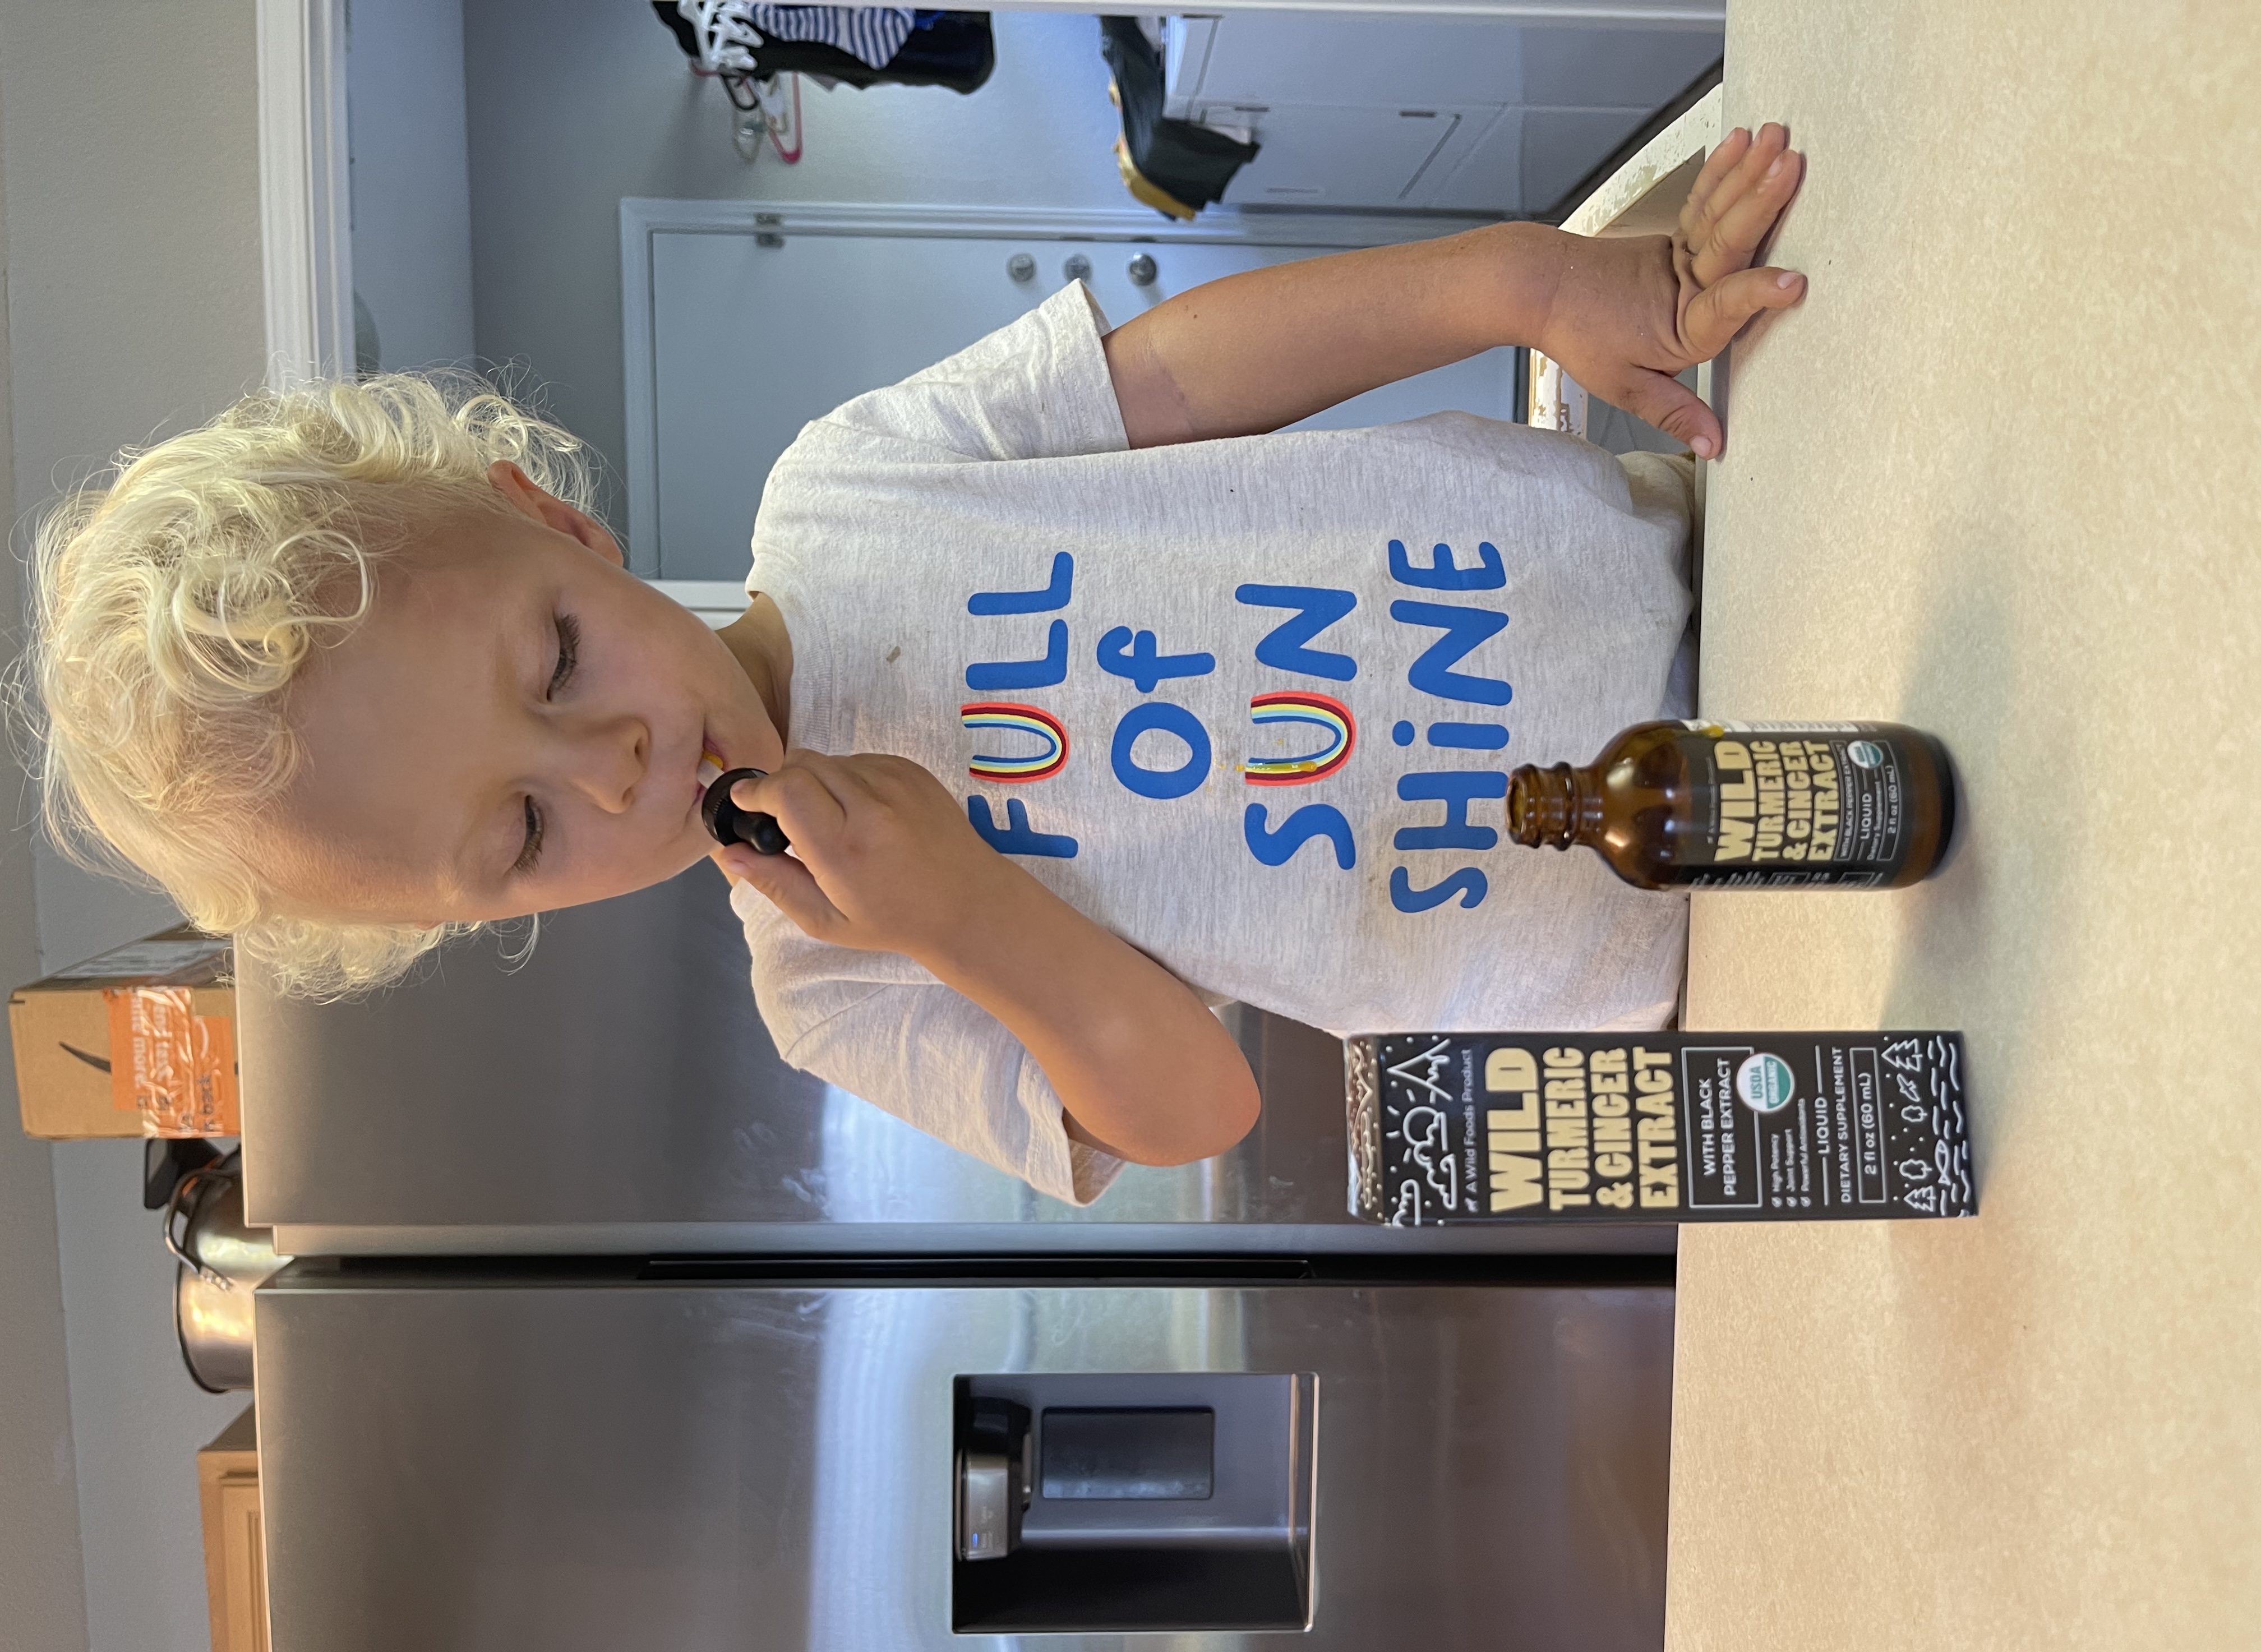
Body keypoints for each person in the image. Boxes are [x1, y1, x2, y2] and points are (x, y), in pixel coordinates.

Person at [28, 125, 1806, 1205]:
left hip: (1712, 561)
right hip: (1693, 930)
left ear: (554, 527)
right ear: (498, 917)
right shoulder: (838, 991)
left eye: (558, 660)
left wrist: (1521, 281)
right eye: (520, 836)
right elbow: (1194, 1103)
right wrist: (955, 909)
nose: (615, 769)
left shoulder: (850, 484)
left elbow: (1178, 381)